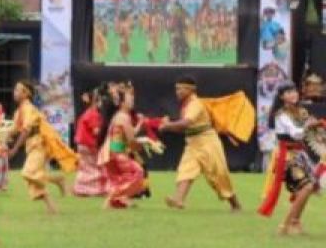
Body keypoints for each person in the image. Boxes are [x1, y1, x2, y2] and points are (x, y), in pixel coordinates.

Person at [158, 76, 242, 211]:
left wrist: (167, 126)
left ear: (191, 90)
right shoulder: (186, 105)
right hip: (192, 142)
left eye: (181, 89)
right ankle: (178, 200)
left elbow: (186, 123)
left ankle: (235, 204)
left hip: (207, 142)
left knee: (218, 175)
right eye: (176, 89)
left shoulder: (195, 104)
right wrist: (168, 125)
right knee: (186, 169)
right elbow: (187, 128)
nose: (177, 92)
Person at [258, 84, 320, 235]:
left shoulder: (301, 111)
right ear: (282, 97)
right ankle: (285, 225)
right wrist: (308, 126)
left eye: (294, 91)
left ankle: (294, 222)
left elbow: (312, 132)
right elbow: (295, 134)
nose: (293, 94)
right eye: (288, 92)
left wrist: (317, 129)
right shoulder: (281, 115)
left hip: (300, 154)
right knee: (306, 187)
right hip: (287, 155)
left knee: (309, 187)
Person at [7, 80, 74, 214]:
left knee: (28, 173)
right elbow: (13, 129)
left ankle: (58, 180)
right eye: (15, 90)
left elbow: (25, 130)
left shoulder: (28, 108)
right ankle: (52, 206)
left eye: (18, 90)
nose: (15, 93)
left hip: (39, 144)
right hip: (32, 145)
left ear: (26, 94)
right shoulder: (19, 111)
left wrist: (14, 149)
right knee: (32, 179)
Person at [98, 84, 148, 209]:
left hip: (113, 152)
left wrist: (140, 124)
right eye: (129, 99)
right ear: (122, 103)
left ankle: (118, 200)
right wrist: (142, 145)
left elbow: (129, 134)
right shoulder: (123, 117)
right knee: (138, 173)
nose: (132, 102)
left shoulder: (120, 116)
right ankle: (113, 198)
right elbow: (131, 139)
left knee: (123, 178)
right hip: (117, 152)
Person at [73, 89, 108, 197]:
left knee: (85, 168)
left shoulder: (86, 113)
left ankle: (81, 189)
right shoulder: (93, 114)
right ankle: (96, 190)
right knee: (98, 167)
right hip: (89, 145)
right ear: (95, 102)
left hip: (81, 145)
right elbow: (96, 131)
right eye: (100, 101)